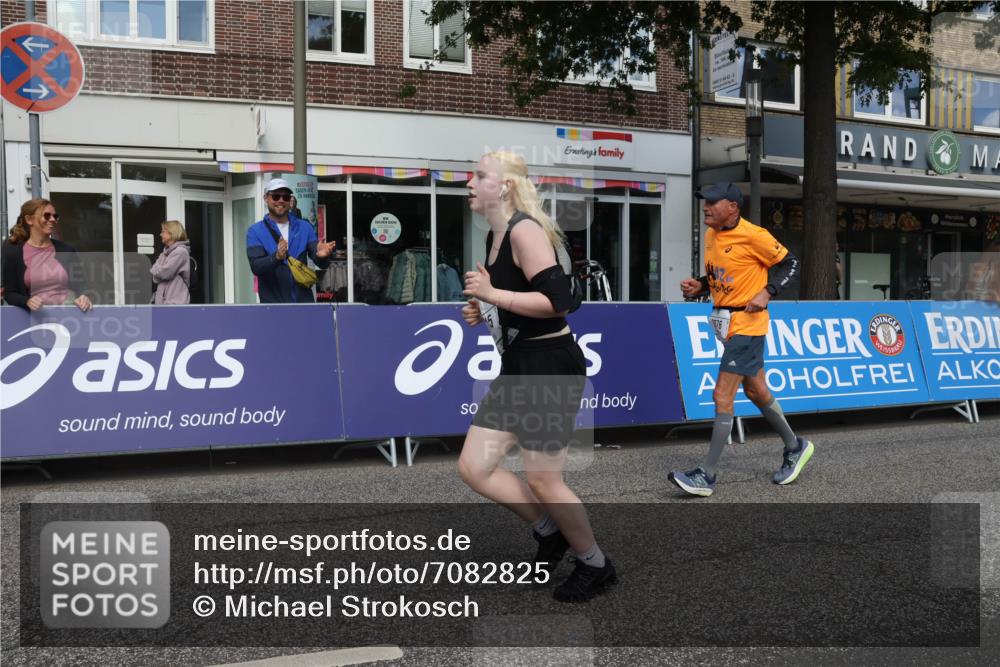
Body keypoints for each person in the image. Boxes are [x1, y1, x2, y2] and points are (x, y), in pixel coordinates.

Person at [458, 151, 616, 602]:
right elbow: (513, 298)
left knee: (545, 479)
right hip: (519, 364)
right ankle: (551, 531)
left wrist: (493, 293)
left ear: (504, 186)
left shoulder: (525, 230)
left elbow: (559, 301)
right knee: (474, 467)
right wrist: (485, 307)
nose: (470, 183)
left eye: (479, 175)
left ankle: (595, 564)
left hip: (549, 364)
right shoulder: (496, 232)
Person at [671, 182, 810, 497]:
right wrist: (701, 286)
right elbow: (726, 274)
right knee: (756, 389)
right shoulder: (711, 235)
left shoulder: (754, 235)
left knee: (722, 395)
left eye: (712, 202)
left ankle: (706, 475)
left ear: (732, 206)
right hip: (724, 321)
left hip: (748, 324)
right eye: (704, 201)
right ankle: (795, 445)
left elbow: (791, 264)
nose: (705, 206)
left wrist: (767, 292)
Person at [247, 178, 334, 303]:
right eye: (276, 196)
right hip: (272, 307)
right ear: (266, 198)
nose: (281, 200)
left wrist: (322, 256)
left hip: (303, 306)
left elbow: (321, 263)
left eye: (286, 197)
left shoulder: (305, 227)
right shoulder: (255, 231)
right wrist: (276, 257)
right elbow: (256, 267)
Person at [2, 198, 92, 312]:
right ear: (30, 220)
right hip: (33, 319)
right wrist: (26, 301)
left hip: (67, 316)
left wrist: (84, 296)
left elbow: (81, 286)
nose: (53, 219)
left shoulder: (66, 250)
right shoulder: (14, 254)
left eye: (55, 216)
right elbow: (10, 293)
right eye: (47, 216)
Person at [150, 220, 192, 305]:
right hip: (163, 303)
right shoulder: (165, 253)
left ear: (172, 233)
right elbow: (155, 277)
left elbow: (164, 273)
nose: (160, 234)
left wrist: (158, 270)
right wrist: (158, 272)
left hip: (175, 303)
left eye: (163, 232)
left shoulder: (180, 252)